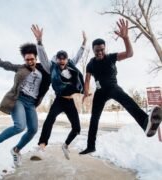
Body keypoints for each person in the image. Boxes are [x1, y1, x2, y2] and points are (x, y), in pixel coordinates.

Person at [79, 19, 162, 155]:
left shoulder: (111, 57)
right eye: (96, 51)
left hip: (112, 87)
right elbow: (87, 79)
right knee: (94, 118)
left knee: (127, 100)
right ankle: (90, 145)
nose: (99, 53)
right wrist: (86, 91)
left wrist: (126, 38)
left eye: (101, 50)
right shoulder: (91, 64)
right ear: (93, 50)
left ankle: (146, 123)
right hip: (100, 92)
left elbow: (129, 54)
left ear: (104, 48)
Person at [0, 43, 51, 166]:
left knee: (33, 130)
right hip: (18, 99)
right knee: (20, 126)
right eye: (27, 59)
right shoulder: (20, 68)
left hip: (31, 103)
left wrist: (40, 42)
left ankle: (16, 150)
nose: (30, 61)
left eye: (32, 59)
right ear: (24, 60)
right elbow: (1, 63)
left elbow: (54, 68)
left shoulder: (44, 71)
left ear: (36, 58)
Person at [30, 25, 86, 160]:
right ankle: (41, 147)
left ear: (66, 60)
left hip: (69, 101)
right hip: (59, 100)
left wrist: (84, 43)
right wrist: (39, 42)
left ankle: (65, 145)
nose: (62, 60)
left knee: (77, 128)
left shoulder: (70, 65)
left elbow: (78, 56)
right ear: (57, 59)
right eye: (59, 58)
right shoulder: (51, 67)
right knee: (49, 120)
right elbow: (43, 58)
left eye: (64, 58)